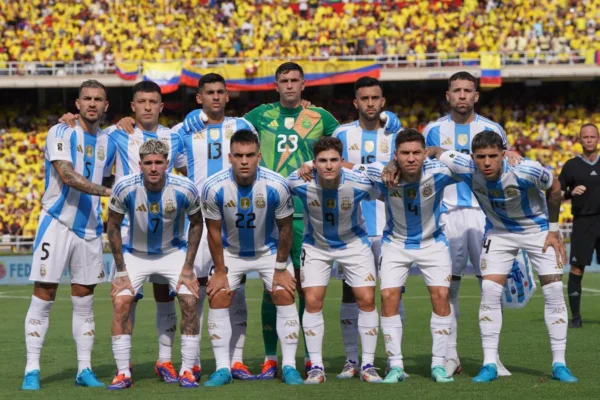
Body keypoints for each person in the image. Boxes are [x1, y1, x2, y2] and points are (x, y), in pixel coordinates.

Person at [183, 61, 401, 378]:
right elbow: (222, 122)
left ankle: (308, 359)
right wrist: (194, 116)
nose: (289, 85)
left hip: (305, 212)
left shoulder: (321, 117)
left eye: (294, 80)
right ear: (276, 85)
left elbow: (345, 141)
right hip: (265, 209)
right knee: (270, 287)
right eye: (283, 80)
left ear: (303, 84)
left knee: (300, 286)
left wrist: (386, 123)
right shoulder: (258, 115)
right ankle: (270, 357)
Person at [60, 81, 188, 383]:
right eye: (141, 102)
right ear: (133, 106)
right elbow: (86, 133)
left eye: (153, 102)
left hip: (167, 232)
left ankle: (165, 362)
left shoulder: (175, 138)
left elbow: (186, 174)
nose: (147, 107)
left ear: (161, 106)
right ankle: (124, 364)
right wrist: (68, 120)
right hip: (129, 233)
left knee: (165, 296)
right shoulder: (116, 135)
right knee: (126, 299)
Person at [429, 130, 578, 383]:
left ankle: (559, 364)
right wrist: (395, 163)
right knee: (489, 290)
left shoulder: (526, 170)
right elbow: (435, 151)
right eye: (481, 157)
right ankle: (490, 364)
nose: (486, 162)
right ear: (472, 157)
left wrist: (554, 230)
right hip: (499, 232)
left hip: (537, 231)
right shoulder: (465, 166)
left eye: (493, 156)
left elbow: (554, 187)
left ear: (503, 154)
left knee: (554, 291)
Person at [421, 71, 522, 376]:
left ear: (476, 96)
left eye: (467, 90)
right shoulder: (433, 130)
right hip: (446, 214)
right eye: (457, 90)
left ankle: (493, 357)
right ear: (448, 95)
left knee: (489, 286)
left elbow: (504, 168)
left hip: (484, 215)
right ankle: (451, 355)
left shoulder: (492, 129)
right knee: (448, 287)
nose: (462, 95)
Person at [22, 80, 113, 391]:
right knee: (44, 293)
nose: (92, 104)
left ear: (106, 106)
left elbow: (112, 170)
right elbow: (67, 174)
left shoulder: (109, 141)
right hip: (56, 223)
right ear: (77, 103)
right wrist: (108, 192)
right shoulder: (60, 132)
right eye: (87, 98)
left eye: (98, 99)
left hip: (90, 229)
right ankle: (32, 369)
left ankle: (84, 369)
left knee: (85, 299)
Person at [201, 130, 303, 387]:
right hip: (231, 252)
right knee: (218, 295)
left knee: (284, 292)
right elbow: (213, 232)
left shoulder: (277, 185)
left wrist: (280, 268)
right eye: (238, 156)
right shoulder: (213, 187)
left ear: (259, 156)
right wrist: (220, 271)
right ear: (230, 158)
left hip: (268, 251)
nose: (244, 161)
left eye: (249, 155)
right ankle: (223, 368)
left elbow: (286, 229)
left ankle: (289, 366)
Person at [361, 129, 458, 384]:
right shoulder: (381, 173)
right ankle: (395, 366)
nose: (411, 158)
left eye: (416, 152)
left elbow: (471, 165)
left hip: (432, 242)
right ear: (395, 155)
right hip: (395, 243)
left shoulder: (440, 172)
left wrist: (510, 155)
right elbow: (347, 168)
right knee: (388, 297)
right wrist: (309, 165)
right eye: (405, 153)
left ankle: (438, 365)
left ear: (425, 154)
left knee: (441, 296)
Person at [177, 73, 257, 380]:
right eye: (209, 92)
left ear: (227, 96)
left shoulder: (242, 126)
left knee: (235, 291)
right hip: (199, 222)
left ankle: (236, 361)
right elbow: (177, 164)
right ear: (199, 98)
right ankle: (193, 362)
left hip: (234, 223)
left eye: (220, 92)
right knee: (194, 294)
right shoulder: (185, 129)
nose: (215, 96)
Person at [106, 139, 203, 390]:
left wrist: (188, 267)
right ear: (140, 164)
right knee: (121, 302)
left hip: (173, 252)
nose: (153, 167)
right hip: (135, 253)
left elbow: (197, 223)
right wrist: (121, 270)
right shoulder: (124, 187)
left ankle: (187, 370)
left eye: (158, 162)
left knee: (190, 300)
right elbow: (112, 226)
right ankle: (123, 373)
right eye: (148, 162)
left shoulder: (185, 187)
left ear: (167, 164)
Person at [288, 137, 382, 384]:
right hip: (316, 246)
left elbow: (387, 191)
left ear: (342, 161)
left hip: (354, 244)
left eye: (333, 160)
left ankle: (368, 365)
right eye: (322, 161)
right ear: (314, 162)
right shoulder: (299, 181)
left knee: (367, 299)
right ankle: (316, 367)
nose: (328, 166)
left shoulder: (360, 182)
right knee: (312, 300)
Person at [332, 76, 405, 379]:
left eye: (375, 98)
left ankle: (393, 361)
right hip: (354, 228)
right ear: (355, 102)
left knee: (393, 294)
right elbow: (333, 166)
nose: (370, 103)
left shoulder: (396, 134)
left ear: (383, 102)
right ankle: (352, 360)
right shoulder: (341, 133)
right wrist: (372, 170)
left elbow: (406, 168)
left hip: (392, 227)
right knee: (351, 294)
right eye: (364, 98)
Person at [559, 123, 600, 328]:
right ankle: (575, 317)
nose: (589, 140)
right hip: (583, 222)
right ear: (580, 140)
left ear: (598, 139)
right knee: (576, 269)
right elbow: (555, 194)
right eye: (585, 137)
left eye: (593, 136)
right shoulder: (571, 166)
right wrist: (569, 192)